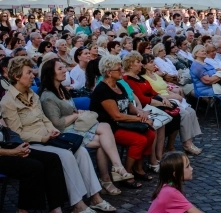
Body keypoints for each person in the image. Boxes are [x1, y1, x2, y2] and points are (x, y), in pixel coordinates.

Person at [1, 56, 115, 213]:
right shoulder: (8, 102)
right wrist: (43, 137)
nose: (33, 75)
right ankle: (78, 204)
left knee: (80, 151)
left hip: (48, 138)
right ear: (17, 77)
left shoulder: (32, 95)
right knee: (66, 155)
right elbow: (17, 133)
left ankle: (95, 197)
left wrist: (51, 129)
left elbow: (44, 119)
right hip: (33, 142)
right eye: (29, 72)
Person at [39, 58, 133, 196]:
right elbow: (57, 124)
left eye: (64, 67)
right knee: (104, 140)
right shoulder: (48, 96)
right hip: (66, 132)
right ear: (50, 73)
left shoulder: (62, 90)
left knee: (105, 129)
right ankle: (111, 174)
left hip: (76, 126)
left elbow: (71, 111)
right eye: (60, 68)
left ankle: (113, 172)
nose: (65, 70)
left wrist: (75, 115)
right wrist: (76, 115)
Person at [90, 55, 155, 189]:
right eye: (118, 69)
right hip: (110, 127)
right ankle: (127, 173)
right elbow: (117, 116)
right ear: (109, 73)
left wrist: (139, 112)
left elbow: (128, 105)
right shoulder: (103, 90)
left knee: (150, 135)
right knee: (139, 140)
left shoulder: (119, 84)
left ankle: (138, 167)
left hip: (124, 123)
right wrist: (140, 119)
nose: (122, 71)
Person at [0, 119, 67, 213]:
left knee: (52, 159)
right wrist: (13, 152)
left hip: (6, 146)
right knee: (33, 167)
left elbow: (5, 129)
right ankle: (22, 211)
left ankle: (56, 209)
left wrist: (16, 144)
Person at [141, 53, 202, 155]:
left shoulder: (156, 75)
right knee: (184, 114)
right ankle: (187, 143)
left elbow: (164, 88)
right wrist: (172, 96)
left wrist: (174, 94)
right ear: (144, 65)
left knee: (191, 111)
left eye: (153, 61)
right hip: (162, 100)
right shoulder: (145, 78)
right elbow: (156, 94)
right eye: (151, 62)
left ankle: (190, 140)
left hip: (169, 97)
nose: (154, 64)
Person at [123, 52, 181, 154]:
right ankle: (155, 156)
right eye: (138, 62)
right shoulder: (127, 78)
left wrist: (164, 99)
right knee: (165, 114)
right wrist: (162, 104)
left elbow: (153, 92)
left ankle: (161, 152)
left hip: (153, 103)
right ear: (130, 64)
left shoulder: (139, 77)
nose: (141, 64)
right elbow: (142, 99)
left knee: (175, 113)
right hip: (143, 107)